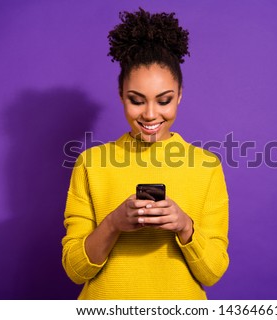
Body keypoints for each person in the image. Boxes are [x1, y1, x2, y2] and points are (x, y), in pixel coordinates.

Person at [62, 8, 229, 300]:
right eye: (136, 100)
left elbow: (213, 273)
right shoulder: (91, 163)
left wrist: (184, 226)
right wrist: (113, 223)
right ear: (121, 96)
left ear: (179, 95)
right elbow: (76, 270)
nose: (150, 114)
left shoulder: (206, 166)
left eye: (163, 100)